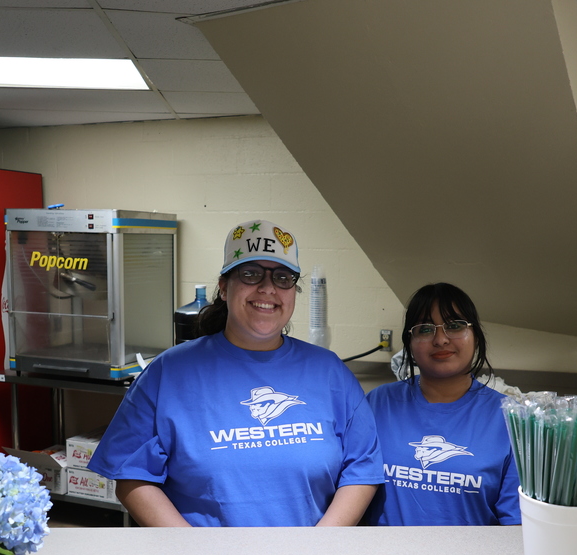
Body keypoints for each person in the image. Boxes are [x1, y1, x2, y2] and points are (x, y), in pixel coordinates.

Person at [88, 219, 384, 527]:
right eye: (251, 274)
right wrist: (194, 550)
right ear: (225, 287)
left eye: (283, 277)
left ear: (293, 291)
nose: (268, 288)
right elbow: (132, 477)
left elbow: (362, 468)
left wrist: (319, 543)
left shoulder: (329, 372)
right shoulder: (169, 373)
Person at [362, 282, 521, 526]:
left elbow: (516, 524)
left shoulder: (510, 418)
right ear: (410, 344)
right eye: (425, 329)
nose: (440, 339)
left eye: (455, 326)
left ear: (476, 336)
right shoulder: (378, 404)